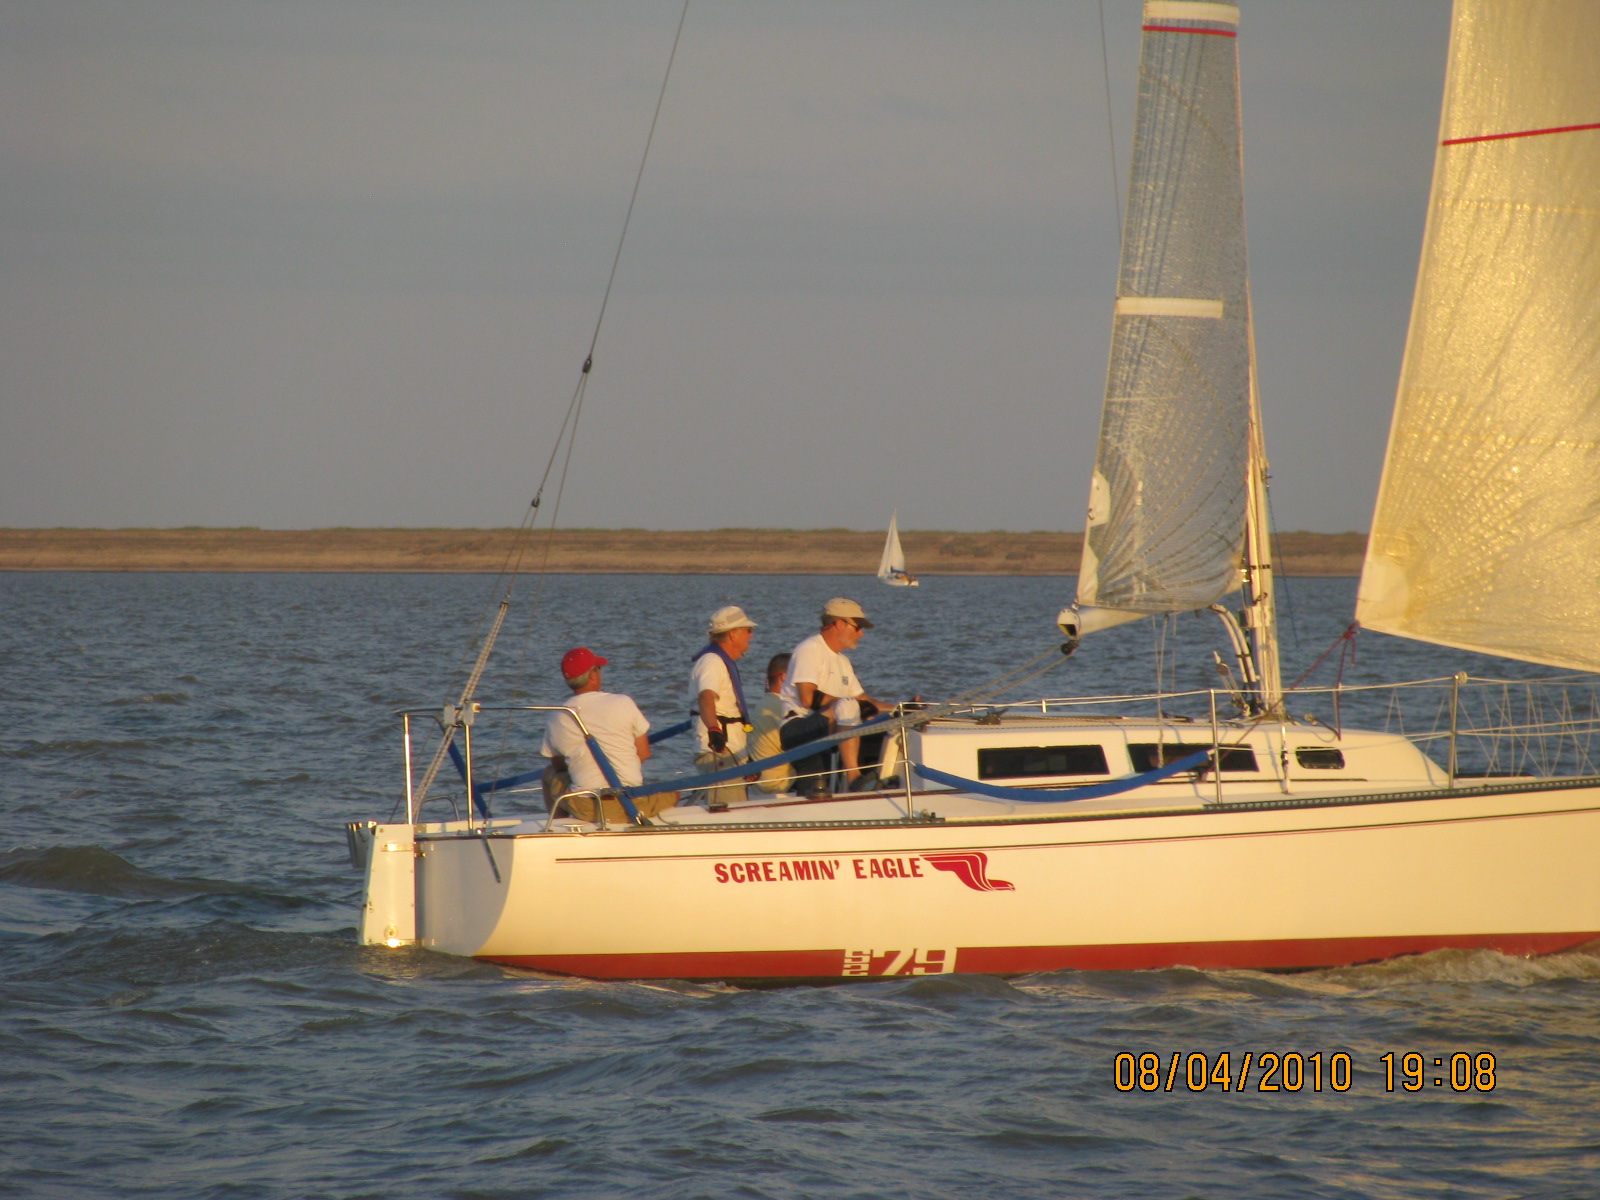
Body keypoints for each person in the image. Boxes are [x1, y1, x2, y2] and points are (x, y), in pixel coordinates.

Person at [541, 647, 676, 823]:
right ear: (593, 675)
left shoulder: (557, 716)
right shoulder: (623, 702)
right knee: (674, 793)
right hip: (631, 804)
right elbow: (643, 753)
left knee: (549, 773)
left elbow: (558, 765)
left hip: (587, 809)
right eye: (598, 669)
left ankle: (558, 825)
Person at [779, 597, 897, 795]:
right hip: (798, 728)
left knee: (855, 709)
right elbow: (807, 698)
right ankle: (854, 778)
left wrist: (903, 708)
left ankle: (858, 784)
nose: (861, 634)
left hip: (826, 724)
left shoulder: (843, 661)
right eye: (858, 627)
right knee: (848, 706)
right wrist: (852, 704)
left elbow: (865, 701)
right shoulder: (810, 649)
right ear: (839, 624)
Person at [690, 605, 758, 810]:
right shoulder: (712, 662)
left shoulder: (719, 661)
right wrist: (714, 731)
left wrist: (746, 758)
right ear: (733, 634)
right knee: (728, 812)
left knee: (736, 808)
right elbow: (706, 697)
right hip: (719, 751)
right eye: (748, 630)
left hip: (731, 751)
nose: (752, 636)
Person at [749, 652, 793, 795]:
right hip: (778, 785)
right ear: (785, 677)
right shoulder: (782, 707)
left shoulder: (763, 703)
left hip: (759, 786)